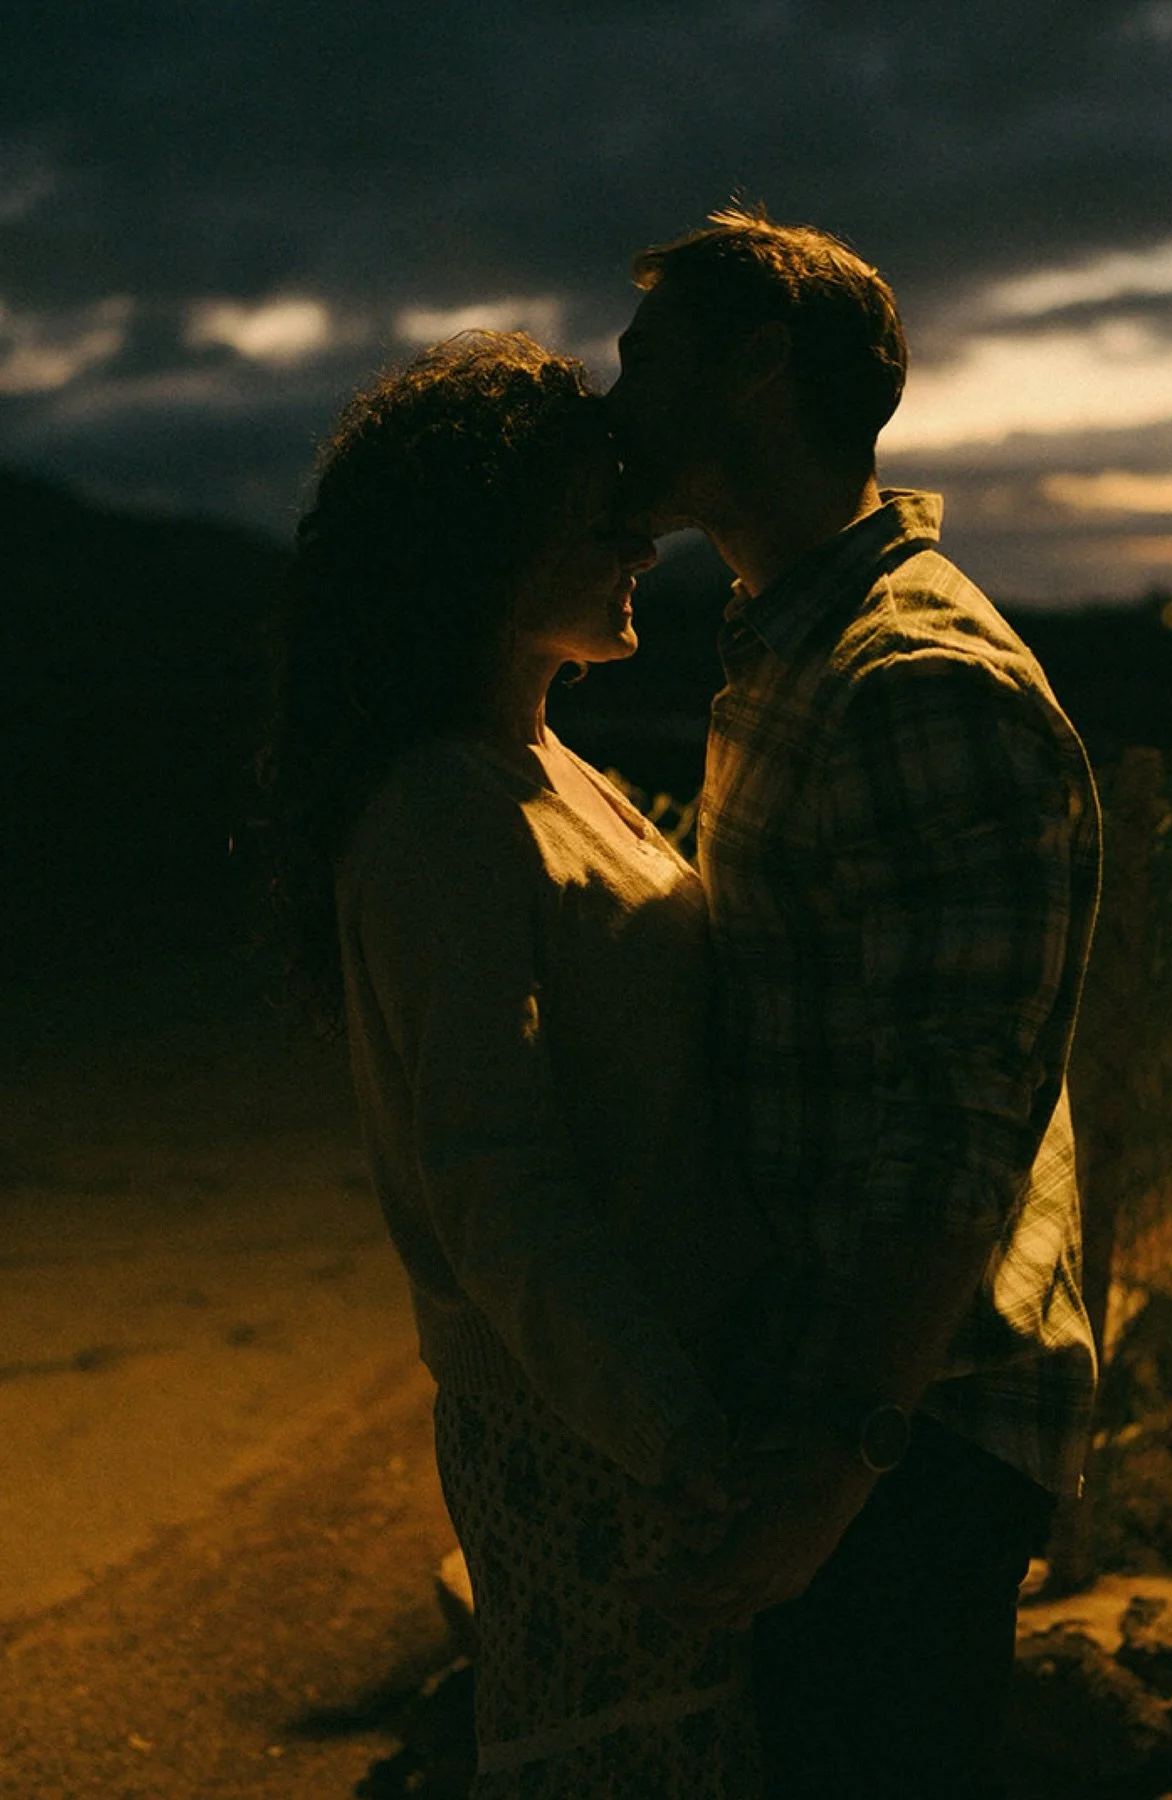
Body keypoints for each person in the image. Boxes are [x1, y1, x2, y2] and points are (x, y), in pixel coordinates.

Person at [607, 209, 1102, 1800]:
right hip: (852, 1399)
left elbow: (954, 1128)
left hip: (910, 1432)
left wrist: (839, 1460)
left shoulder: (916, 686)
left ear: (758, 369)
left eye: (645, 362)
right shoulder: (793, 644)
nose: (616, 402)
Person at [258, 330, 770, 1798]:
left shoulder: (550, 766)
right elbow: (493, 1180)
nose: (639, 545)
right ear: (488, 549)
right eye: (596, 517)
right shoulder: (440, 808)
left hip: (648, 1392)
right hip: (585, 1427)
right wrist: (672, 1430)